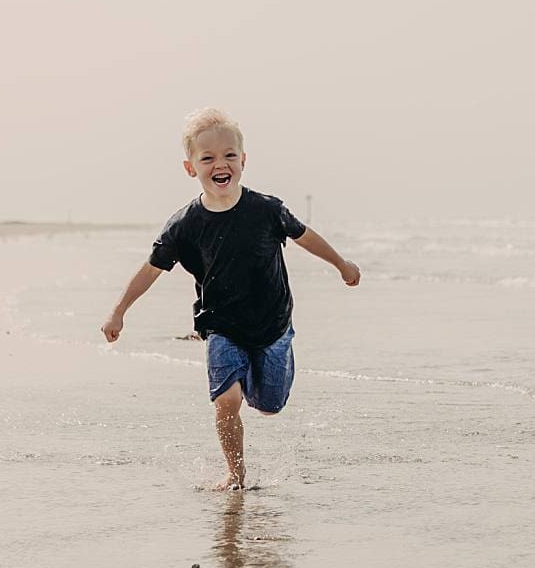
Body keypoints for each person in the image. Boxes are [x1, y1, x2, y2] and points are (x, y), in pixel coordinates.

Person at [101, 108, 360, 490]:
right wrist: (118, 311)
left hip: (272, 325)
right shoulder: (184, 225)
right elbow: (151, 269)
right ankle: (236, 475)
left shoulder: (267, 210)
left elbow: (306, 236)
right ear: (191, 168)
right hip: (220, 325)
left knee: (270, 405)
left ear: (243, 161)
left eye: (228, 155)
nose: (219, 164)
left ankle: (257, 379)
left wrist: (341, 264)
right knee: (226, 401)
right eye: (207, 158)